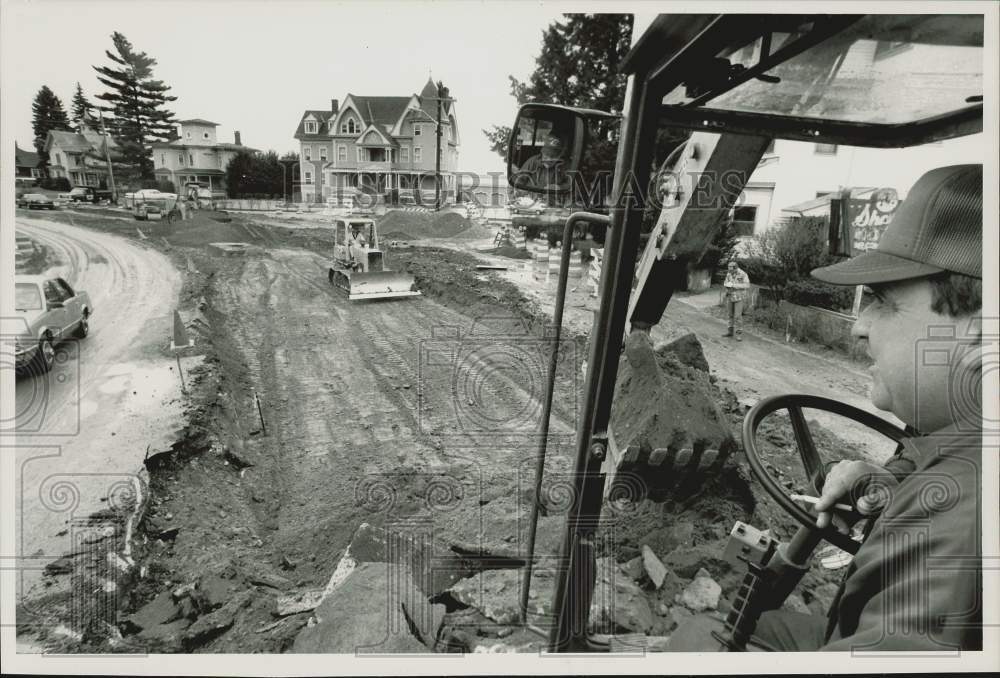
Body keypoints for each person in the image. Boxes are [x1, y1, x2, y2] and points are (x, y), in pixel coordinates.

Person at [669, 164, 985, 652]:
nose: (858, 327)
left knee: (697, 642)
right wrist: (891, 484)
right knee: (764, 628)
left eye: (880, 301)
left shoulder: (957, 513)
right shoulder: (964, 444)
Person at [514, 126, 571, 191]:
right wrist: (520, 189)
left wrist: (559, 187)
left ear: (560, 155)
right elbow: (518, 178)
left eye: (553, 156)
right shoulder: (533, 161)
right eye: (546, 155)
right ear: (542, 151)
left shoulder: (566, 165)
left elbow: (571, 184)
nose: (548, 159)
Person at [723, 260, 751, 340]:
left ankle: (739, 334)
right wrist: (726, 285)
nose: (730, 271)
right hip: (730, 296)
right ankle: (730, 332)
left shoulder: (743, 274)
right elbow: (725, 282)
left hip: (739, 297)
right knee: (730, 315)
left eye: (731, 270)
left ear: (736, 268)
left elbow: (747, 285)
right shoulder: (729, 273)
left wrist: (734, 285)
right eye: (729, 269)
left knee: (738, 316)